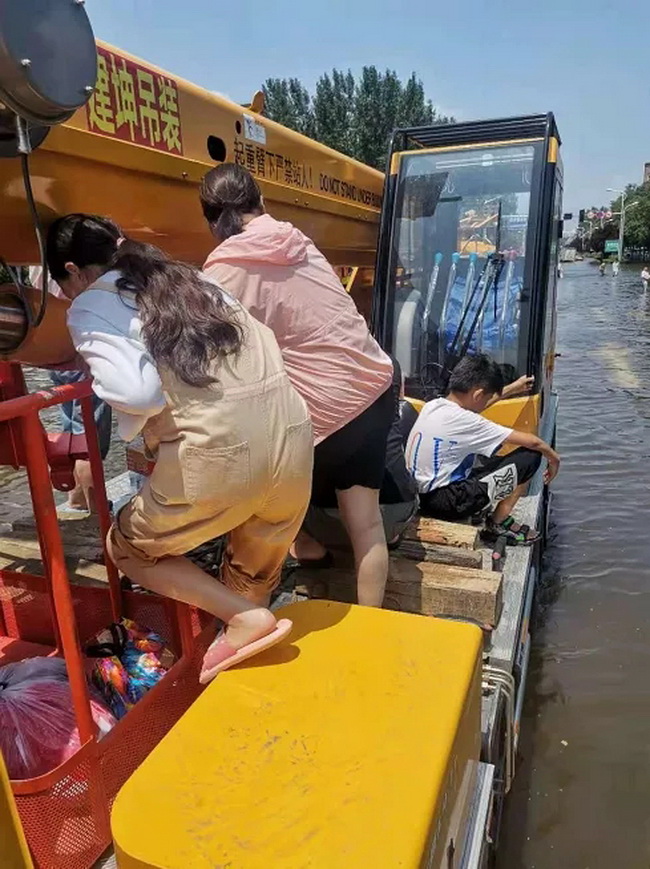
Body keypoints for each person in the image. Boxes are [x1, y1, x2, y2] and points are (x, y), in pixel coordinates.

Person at [46, 214, 313, 684]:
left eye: (63, 285)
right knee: (248, 575)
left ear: (72, 270)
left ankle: (246, 620)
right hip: (293, 438)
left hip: (219, 456)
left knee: (128, 548)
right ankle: (240, 647)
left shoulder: (90, 303)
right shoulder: (192, 280)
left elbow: (135, 393)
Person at [200, 164, 395, 608]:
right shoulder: (297, 239)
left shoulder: (223, 272)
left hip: (326, 413)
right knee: (365, 526)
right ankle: (372, 628)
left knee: (250, 480)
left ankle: (293, 554)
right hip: (375, 389)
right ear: (262, 202)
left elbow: (215, 359)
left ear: (212, 221)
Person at [406, 354, 560, 544]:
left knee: (484, 460)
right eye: (486, 396)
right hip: (448, 503)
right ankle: (498, 523)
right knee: (531, 456)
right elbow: (533, 442)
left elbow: (475, 406)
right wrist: (554, 458)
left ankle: (485, 510)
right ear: (478, 394)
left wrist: (512, 389)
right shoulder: (467, 421)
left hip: (421, 495)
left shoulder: (434, 406)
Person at [298, 358, 418, 560]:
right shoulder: (387, 364)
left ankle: (308, 547)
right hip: (391, 515)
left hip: (320, 520)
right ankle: (390, 538)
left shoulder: (309, 364)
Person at [29, 266, 113, 516]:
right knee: (89, 439)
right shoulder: (70, 267)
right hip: (79, 348)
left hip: (53, 350)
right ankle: (98, 514)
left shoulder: (37, 260)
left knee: (73, 432)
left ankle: (77, 500)